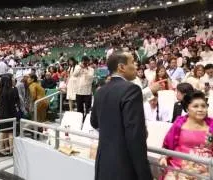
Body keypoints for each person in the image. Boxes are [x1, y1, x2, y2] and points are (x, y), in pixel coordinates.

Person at [91, 51, 153, 180]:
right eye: (132, 62)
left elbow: (94, 122)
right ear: (122, 67)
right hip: (124, 165)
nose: (136, 66)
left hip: (103, 163)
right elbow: (134, 135)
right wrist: (144, 173)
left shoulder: (100, 91)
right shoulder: (132, 89)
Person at [159, 91, 213, 179]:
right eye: (195, 106)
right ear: (187, 109)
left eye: (203, 106)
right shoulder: (179, 123)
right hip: (179, 168)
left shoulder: (211, 125)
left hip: (206, 170)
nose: (200, 109)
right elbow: (167, 145)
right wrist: (163, 158)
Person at [0, 75, 20, 156]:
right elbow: (13, 104)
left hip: (2, 114)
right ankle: (11, 151)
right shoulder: (11, 91)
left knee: (2, 132)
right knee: (10, 133)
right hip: (10, 114)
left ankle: (0, 149)